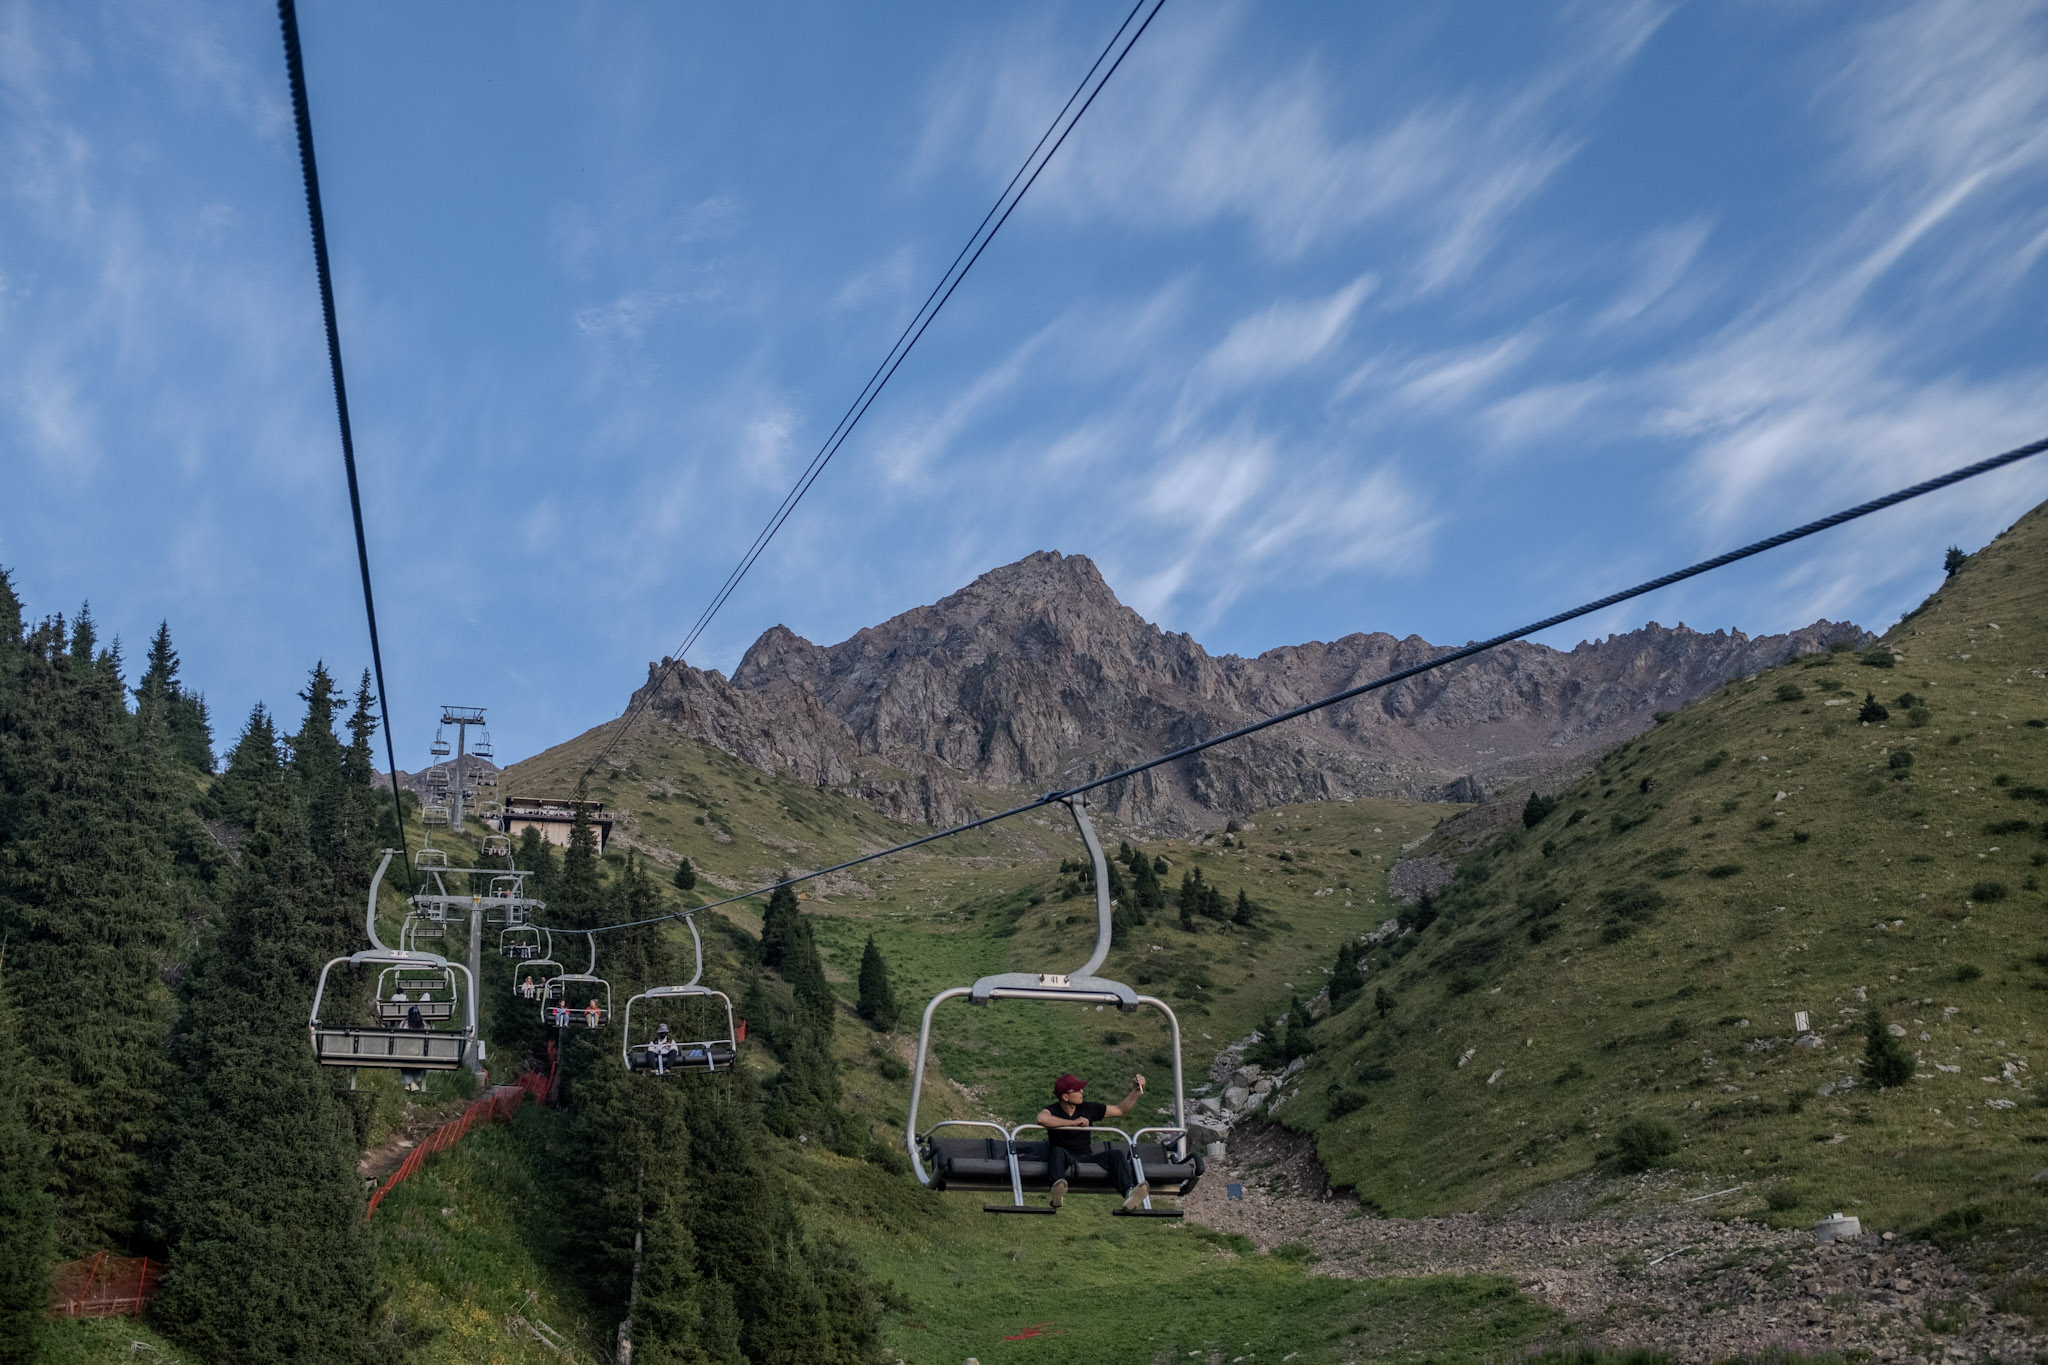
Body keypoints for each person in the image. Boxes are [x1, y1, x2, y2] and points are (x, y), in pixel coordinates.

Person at [1036, 1072, 1149, 1211]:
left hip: (1086, 1156)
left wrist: (1136, 1091)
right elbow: (1041, 1119)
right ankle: (1057, 1191)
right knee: (1057, 1152)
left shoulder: (1088, 1108)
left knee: (1116, 1154)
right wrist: (1073, 1123)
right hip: (1064, 1158)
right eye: (1077, 1090)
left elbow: (1120, 1110)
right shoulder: (1053, 1110)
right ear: (1065, 1096)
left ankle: (1129, 1193)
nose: (1081, 1091)